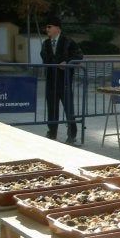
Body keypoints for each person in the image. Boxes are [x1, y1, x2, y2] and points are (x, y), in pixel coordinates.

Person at [40, 16, 83, 144]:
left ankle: (72, 134)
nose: (47, 29)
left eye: (50, 26)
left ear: (58, 28)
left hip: (64, 81)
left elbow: (79, 55)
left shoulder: (68, 41)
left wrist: (67, 62)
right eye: (46, 27)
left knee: (68, 109)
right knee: (52, 108)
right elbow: (44, 56)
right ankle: (52, 132)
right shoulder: (46, 43)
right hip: (51, 81)